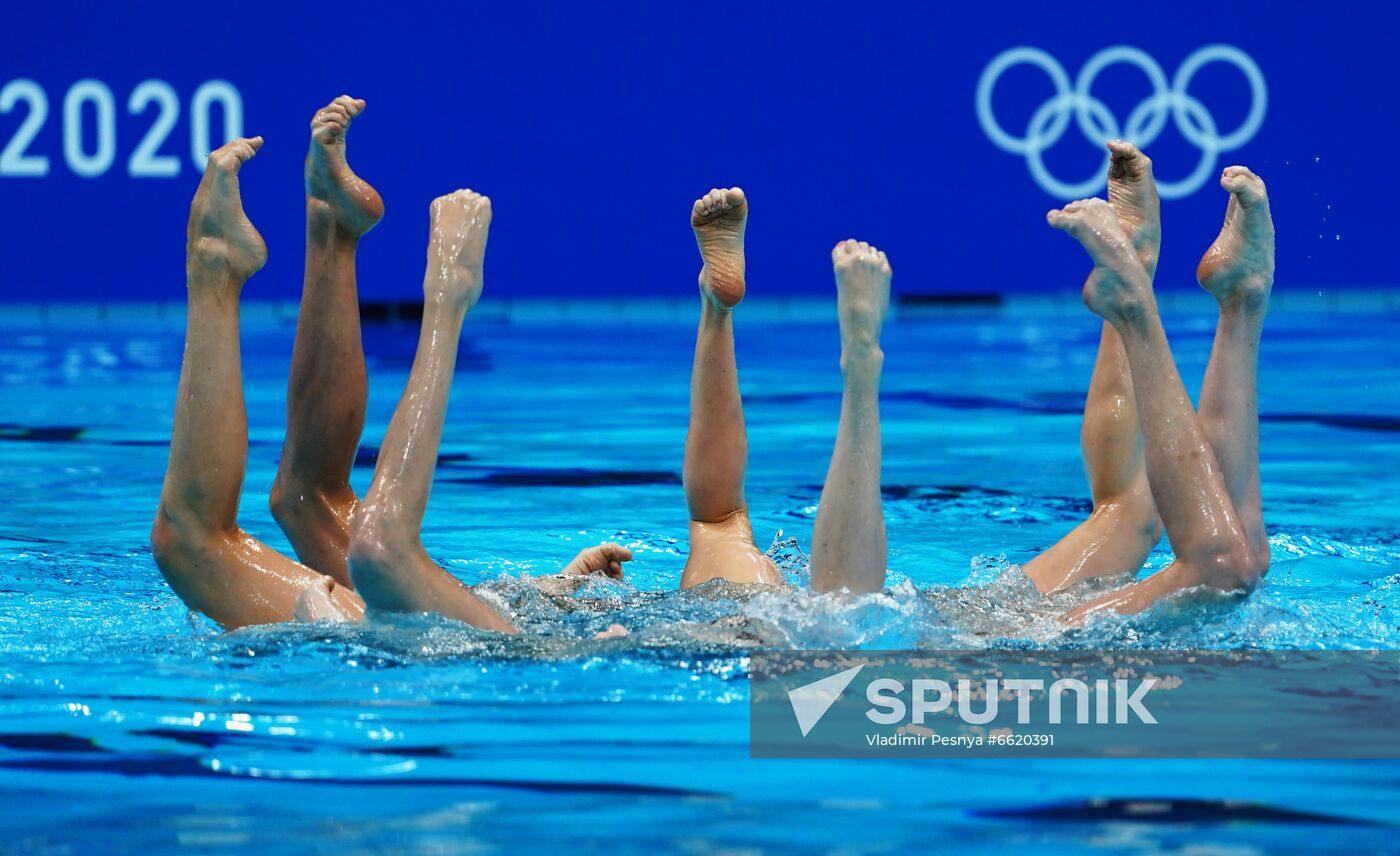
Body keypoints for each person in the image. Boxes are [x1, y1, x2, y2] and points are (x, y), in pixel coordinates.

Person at [151, 96, 894, 631]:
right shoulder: (769, 621)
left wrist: (446, 294)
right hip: (485, 646)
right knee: (302, 501)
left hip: (487, 652)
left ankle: (229, 272)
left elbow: (382, 551)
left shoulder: (761, 619)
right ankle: (326, 231)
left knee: (217, 535)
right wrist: (549, 591)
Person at [1028, 141, 1274, 621]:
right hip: (989, 630)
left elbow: (1124, 505)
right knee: (1233, 561)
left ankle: (1136, 269)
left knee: (1130, 515)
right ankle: (1237, 303)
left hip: (979, 627)